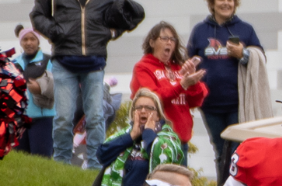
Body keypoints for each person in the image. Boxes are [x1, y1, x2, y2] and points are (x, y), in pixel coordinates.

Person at [32, 0, 141, 169]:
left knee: (96, 117)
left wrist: (112, 32)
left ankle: (95, 166)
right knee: (63, 117)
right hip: (63, 60)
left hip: (95, 62)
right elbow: (38, 15)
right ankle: (61, 165)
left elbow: (127, 12)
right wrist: (55, 32)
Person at [189, 0, 264, 186]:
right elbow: (189, 62)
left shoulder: (246, 29)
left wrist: (243, 54)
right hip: (210, 106)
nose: (226, 3)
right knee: (220, 152)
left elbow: (260, 58)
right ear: (212, 4)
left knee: (238, 151)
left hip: (238, 104)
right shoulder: (199, 31)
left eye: (230, 0)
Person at [132, 22, 208, 161]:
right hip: (158, 139)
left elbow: (195, 101)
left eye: (172, 39)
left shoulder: (178, 67)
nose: (169, 42)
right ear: (152, 42)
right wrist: (182, 85)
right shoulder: (143, 67)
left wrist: (193, 82)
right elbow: (154, 99)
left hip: (181, 139)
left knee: (179, 182)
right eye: (164, 38)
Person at [17, 25, 58, 156]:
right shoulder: (14, 62)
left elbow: (59, 85)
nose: (29, 43)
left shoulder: (49, 61)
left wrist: (41, 88)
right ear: (21, 42)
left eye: (32, 39)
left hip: (43, 117)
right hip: (20, 119)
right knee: (19, 161)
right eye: (25, 39)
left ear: (38, 41)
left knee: (41, 159)